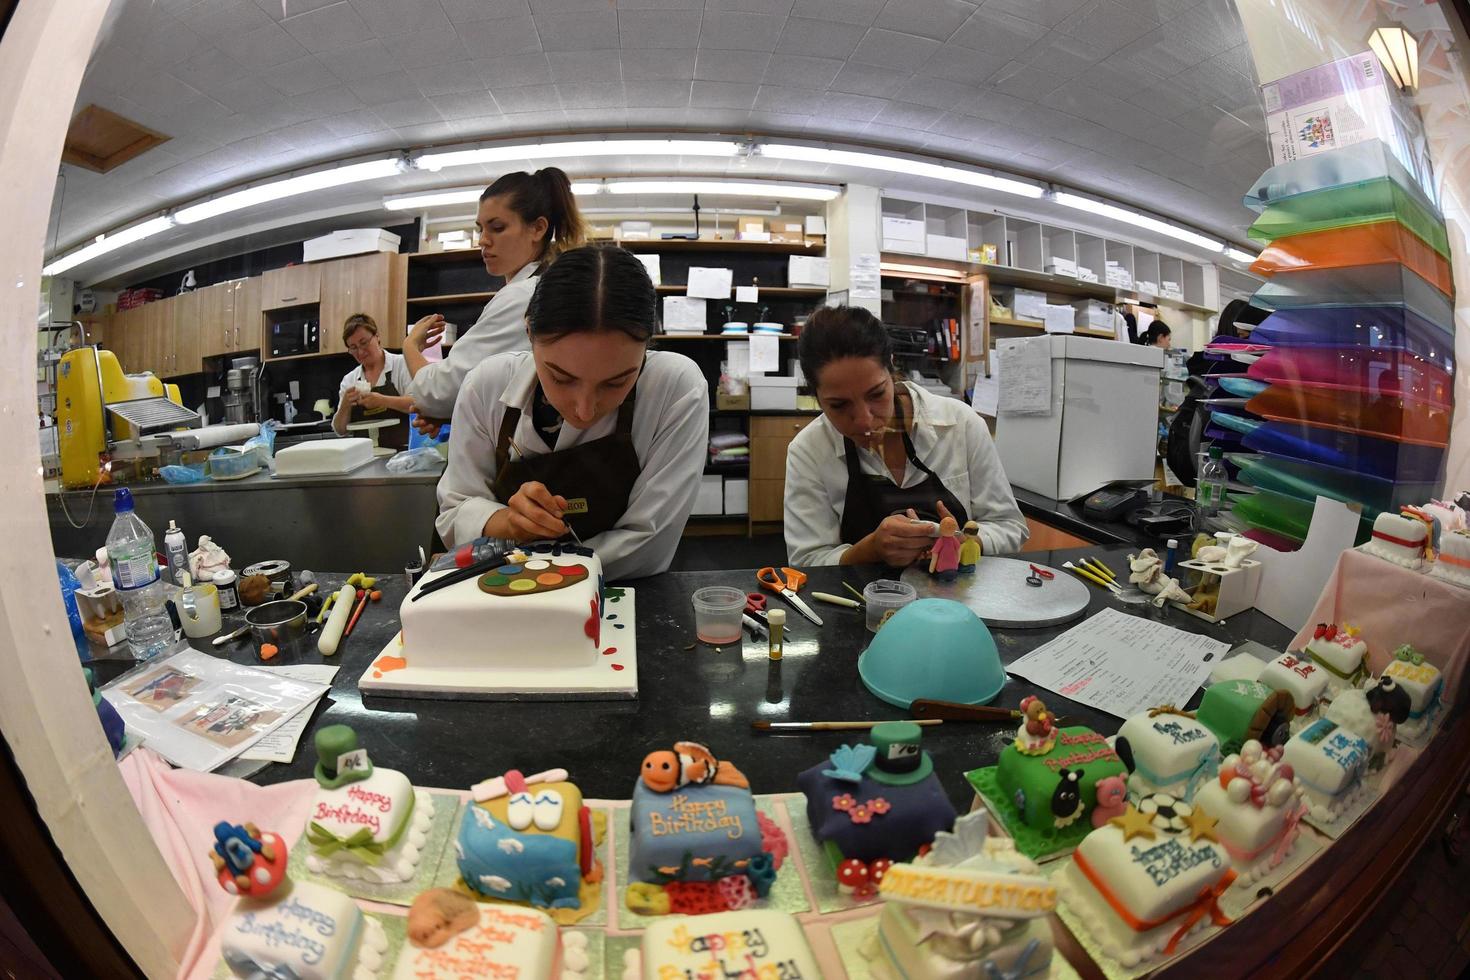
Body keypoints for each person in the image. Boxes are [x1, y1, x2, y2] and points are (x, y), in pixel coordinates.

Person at [435, 245, 709, 580]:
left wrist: (545, 570)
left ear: (648, 347)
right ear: (529, 334)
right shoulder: (486, 386)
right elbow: (455, 509)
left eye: (616, 382)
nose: (584, 410)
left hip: (624, 593)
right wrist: (508, 522)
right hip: (504, 593)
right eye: (561, 378)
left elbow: (649, 540)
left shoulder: (675, 388)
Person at [784, 305, 1029, 567]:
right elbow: (807, 560)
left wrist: (967, 541)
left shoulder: (961, 424)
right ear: (816, 397)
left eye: (876, 394)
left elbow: (1010, 527)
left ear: (891, 368)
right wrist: (871, 549)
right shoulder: (810, 449)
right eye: (839, 405)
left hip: (958, 599)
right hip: (860, 602)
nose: (865, 419)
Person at [403, 168, 587, 433]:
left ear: (537, 228)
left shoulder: (523, 296)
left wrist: (410, 347)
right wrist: (455, 412)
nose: (483, 241)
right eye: (480, 228)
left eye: (497, 228)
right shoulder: (543, 287)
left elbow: (436, 393)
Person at [332, 313, 413, 450]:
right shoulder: (350, 380)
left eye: (364, 343)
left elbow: (417, 405)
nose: (360, 351)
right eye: (353, 347)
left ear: (377, 336)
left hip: (402, 454)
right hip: (363, 457)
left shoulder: (402, 365)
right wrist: (345, 405)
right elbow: (340, 430)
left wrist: (383, 400)